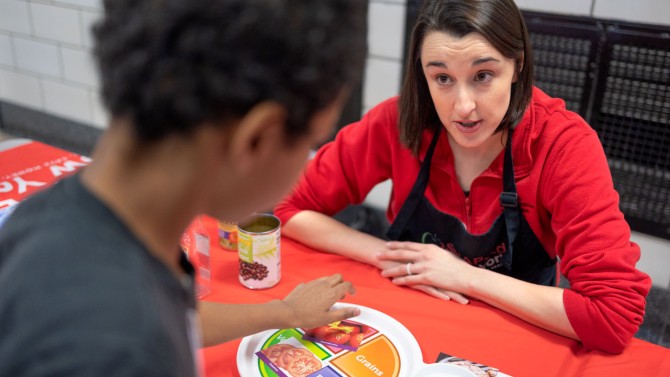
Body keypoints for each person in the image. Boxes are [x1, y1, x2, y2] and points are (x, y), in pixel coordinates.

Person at [0, 0, 367, 375]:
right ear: (257, 138)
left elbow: (172, 312)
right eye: (311, 143)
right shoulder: (128, 353)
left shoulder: (48, 217)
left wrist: (284, 313)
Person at [275, 0, 651, 354]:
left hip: (517, 329)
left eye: (483, 75)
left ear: (517, 65)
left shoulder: (561, 144)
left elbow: (614, 315)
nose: (463, 107)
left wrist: (463, 276)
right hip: (410, 321)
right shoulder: (398, 120)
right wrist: (397, 258)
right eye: (442, 78)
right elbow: (285, 204)